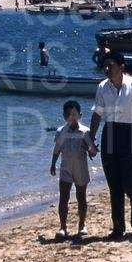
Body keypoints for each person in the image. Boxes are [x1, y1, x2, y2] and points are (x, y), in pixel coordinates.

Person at [89, 52, 132, 238]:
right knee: (113, 182)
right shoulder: (102, 87)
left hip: (129, 132)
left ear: (121, 67)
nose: (107, 69)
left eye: (111, 65)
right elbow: (97, 114)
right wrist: (91, 140)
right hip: (109, 133)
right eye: (105, 66)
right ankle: (118, 226)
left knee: (129, 175)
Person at [50, 100, 97, 240]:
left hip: (81, 168)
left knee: (81, 197)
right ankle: (63, 227)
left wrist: (92, 150)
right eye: (68, 114)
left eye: (74, 114)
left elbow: (92, 151)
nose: (71, 116)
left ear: (80, 115)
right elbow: (57, 150)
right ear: (64, 115)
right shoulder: (61, 131)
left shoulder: (85, 131)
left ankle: (82, 225)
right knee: (63, 197)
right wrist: (53, 164)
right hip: (65, 167)